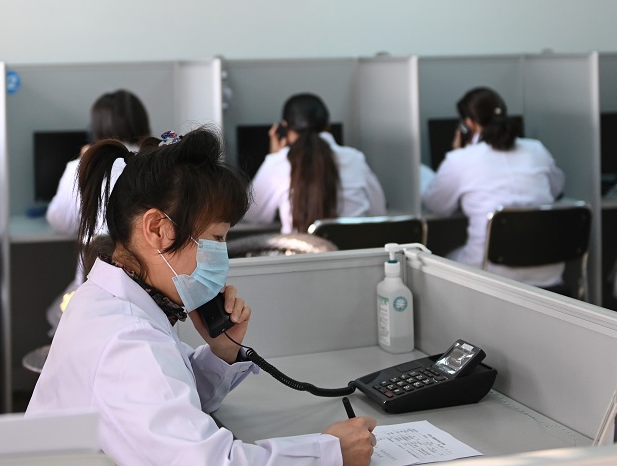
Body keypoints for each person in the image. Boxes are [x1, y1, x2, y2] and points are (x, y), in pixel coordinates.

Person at [26, 128, 377, 465]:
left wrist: (221, 353)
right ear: (157, 229)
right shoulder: (129, 342)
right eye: (217, 237)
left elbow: (172, 404)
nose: (221, 254)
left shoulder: (112, 301)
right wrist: (329, 454)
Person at [421, 87, 566, 287]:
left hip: (491, 277)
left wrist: (457, 152)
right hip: (547, 272)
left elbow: (436, 205)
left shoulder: (460, 159)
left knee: (440, 262)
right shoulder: (537, 149)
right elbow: (556, 189)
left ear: (467, 124)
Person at [44, 90, 151, 334]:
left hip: (96, 283)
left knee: (54, 314)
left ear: (96, 128)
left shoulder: (83, 165)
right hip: (147, 287)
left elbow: (60, 221)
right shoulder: (157, 164)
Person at [245, 93, 386, 234]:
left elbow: (252, 215)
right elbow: (379, 211)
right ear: (327, 125)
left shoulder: (278, 162)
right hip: (353, 247)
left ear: (285, 128)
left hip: (299, 248)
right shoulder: (355, 159)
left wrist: (273, 156)